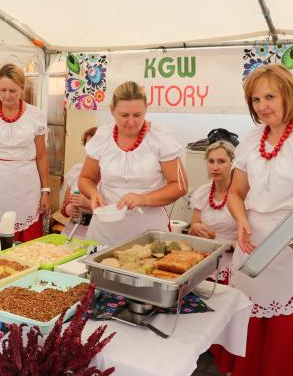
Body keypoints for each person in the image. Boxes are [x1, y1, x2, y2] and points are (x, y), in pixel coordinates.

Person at [212, 64, 293, 376]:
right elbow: (236, 194)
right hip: (253, 244)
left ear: (288, 95)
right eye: (256, 100)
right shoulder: (251, 140)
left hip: (291, 249)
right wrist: (241, 221)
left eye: (270, 97)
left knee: (286, 335)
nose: (262, 106)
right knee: (249, 321)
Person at [78, 81, 187, 246]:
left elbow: (180, 185)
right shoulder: (102, 136)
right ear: (112, 111)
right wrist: (93, 193)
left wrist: (143, 199)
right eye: (124, 115)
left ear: (146, 110)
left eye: (137, 115)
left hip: (148, 231)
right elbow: (86, 178)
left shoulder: (160, 138)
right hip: (105, 230)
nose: (131, 122)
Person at [0, 63, 50, 242]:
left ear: (22, 88)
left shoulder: (35, 116)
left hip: (27, 185)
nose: (7, 96)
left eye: (13, 91)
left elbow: (42, 156)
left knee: (28, 244)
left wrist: (46, 191)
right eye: (3, 90)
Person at [188, 140, 237, 284]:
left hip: (232, 261)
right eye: (211, 161)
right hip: (203, 258)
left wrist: (229, 246)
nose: (215, 167)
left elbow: (249, 236)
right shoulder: (202, 193)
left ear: (233, 163)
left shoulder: (241, 195)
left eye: (221, 161)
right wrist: (195, 228)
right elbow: (192, 229)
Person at [60, 127, 97, 238]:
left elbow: (116, 212)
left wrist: (89, 205)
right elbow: (64, 206)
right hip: (71, 232)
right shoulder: (76, 170)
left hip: (96, 234)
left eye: (95, 145)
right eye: (88, 145)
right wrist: (68, 209)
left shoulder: (112, 175)